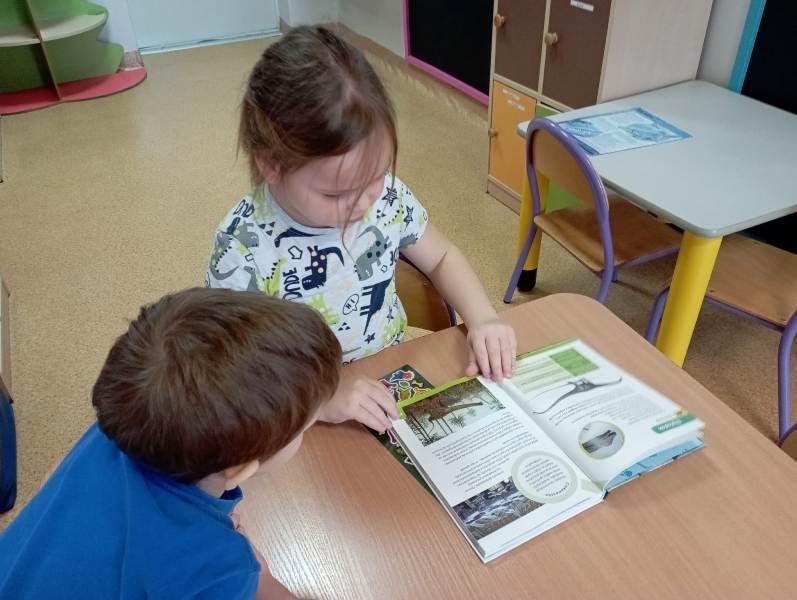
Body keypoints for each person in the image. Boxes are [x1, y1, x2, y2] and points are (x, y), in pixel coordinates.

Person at [207, 26, 517, 434]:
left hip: (389, 380)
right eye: (337, 194)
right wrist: (322, 399)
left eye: (378, 175)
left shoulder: (385, 197)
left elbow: (441, 256)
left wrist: (483, 317)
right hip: (300, 415)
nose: (366, 202)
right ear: (271, 164)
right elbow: (234, 375)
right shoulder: (241, 249)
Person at [0, 288, 341, 599]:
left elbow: (53, 478)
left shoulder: (116, 431)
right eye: (305, 428)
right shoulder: (222, 569)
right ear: (238, 469)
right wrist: (260, 575)